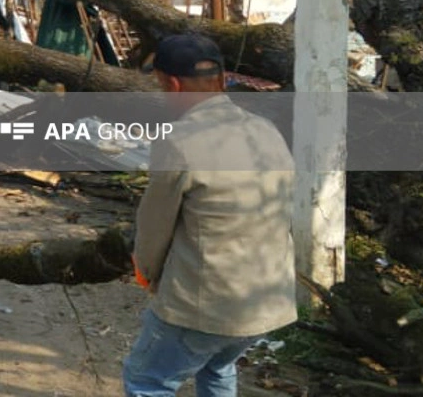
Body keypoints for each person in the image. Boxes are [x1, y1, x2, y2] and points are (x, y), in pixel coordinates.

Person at [124, 34, 296, 397]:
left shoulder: (179, 139)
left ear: (171, 84)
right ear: (221, 78)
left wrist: (146, 271)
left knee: (147, 381)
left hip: (209, 302)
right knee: (218, 369)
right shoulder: (265, 131)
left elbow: (154, 223)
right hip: (268, 300)